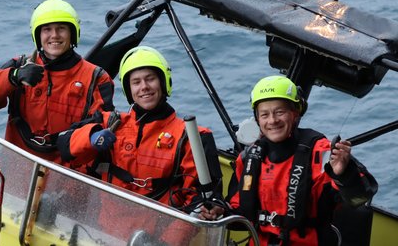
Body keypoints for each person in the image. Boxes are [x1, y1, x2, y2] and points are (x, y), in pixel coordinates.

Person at [56, 46, 222, 244]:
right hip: (100, 236)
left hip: (155, 240)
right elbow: (64, 145)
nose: (144, 87)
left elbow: (202, 203)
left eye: (150, 79)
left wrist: (163, 243)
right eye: (136, 82)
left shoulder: (192, 138)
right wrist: (91, 138)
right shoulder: (109, 122)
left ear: (163, 82)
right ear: (129, 90)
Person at [222, 75, 377, 245]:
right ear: (257, 119)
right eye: (264, 114)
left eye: (280, 112)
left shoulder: (322, 153)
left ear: (296, 112)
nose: (272, 120)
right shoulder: (248, 158)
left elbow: (360, 198)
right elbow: (238, 213)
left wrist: (344, 174)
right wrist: (218, 211)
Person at [0, 0, 114, 166]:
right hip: (17, 167)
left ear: (73, 33)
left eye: (61, 29)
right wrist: (13, 77)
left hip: (68, 174)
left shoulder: (96, 78)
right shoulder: (19, 66)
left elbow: (102, 127)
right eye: (47, 29)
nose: (54, 35)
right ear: (38, 35)